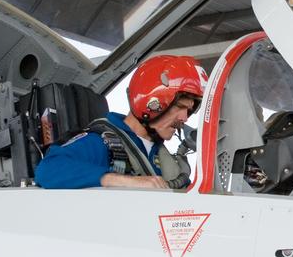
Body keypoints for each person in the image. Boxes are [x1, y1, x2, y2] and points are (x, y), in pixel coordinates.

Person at [35, 54, 207, 190]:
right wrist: (116, 180)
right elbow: (47, 170)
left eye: (189, 111)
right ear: (152, 102)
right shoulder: (102, 142)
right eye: (179, 107)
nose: (184, 118)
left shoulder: (162, 157)